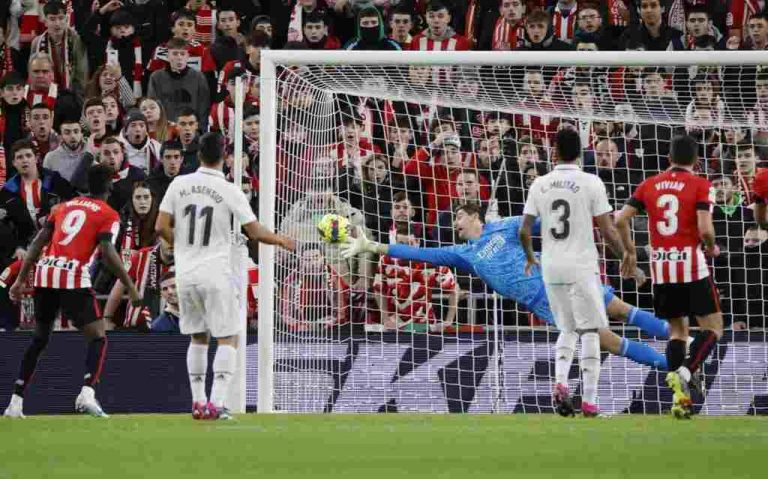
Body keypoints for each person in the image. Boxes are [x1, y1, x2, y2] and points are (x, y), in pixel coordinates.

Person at [154, 132, 295, 420]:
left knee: (198, 337)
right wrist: (281, 240)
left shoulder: (179, 184)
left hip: (186, 273)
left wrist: (180, 244)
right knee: (228, 336)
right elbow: (254, 232)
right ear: (225, 157)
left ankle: (197, 401)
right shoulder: (230, 189)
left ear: (198, 155)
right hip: (216, 271)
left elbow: (160, 226)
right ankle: (217, 403)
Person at [3, 163, 142, 418]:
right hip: (72, 275)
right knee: (98, 337)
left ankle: (15, 402)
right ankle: (87, 393)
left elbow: (38, 242)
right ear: (110, 187)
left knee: (39, 339)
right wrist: (131, 286)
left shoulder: (63, 207)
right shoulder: (108, 214)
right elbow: (108, 251)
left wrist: (20, 279)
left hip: (45, 273)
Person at [519, 128, 627, 417]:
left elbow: (524, 229)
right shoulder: (591, 181)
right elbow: (606, 229)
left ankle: (560, 382)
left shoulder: (539, 183)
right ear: (581, 152)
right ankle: (590, 401)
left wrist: (531, 257)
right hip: (581, 265)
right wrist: (626, 255)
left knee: (567, 329)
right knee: (591, 329)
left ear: (554, 152)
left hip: (551, 265)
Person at [616, 134, 723, 419]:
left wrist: (630, 251)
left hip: (660, 268)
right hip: (690, 265)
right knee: (714, 328)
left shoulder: (649, 184)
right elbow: (705, 227)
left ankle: (679, 400)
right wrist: (712, 246)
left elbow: (619, 219)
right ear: (697, 161)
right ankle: (686, 373)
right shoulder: (701, 184)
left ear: (668, 160)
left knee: (678, 332)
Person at [147, 38, 210, 129]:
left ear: (188, 56)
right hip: (165, 131)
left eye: (182, 54)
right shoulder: (156, 77)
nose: (179, 57)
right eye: (175, 54)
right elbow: (153, 107)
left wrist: (199, 131)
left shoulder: (199, 77)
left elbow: (204, 108)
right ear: (168, 55)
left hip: (191, 130)